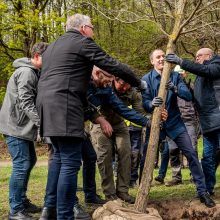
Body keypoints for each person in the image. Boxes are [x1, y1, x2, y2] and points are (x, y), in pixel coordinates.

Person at [36, 13, 146, 220]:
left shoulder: (55, 45)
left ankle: (50, 210)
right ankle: (65, 215)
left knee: (59, 158)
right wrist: (139, 82)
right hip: (65, 106)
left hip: (46, 105)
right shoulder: (81, 41)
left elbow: (64, 77)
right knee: (70, 162)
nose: (93, 31)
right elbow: (112, 64)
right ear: (84, 28)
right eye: (92, 27)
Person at [141, 49, 215, 208]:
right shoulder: (146, 79)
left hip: (175, 123)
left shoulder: (174, 76)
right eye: (158, 57)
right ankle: (142, 192)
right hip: (156, 125)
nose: (161, 59)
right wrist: (151, 104)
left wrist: (174, 87)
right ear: (152, 61)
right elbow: (144, 103)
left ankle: (202, 192)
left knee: (191, 154)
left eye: (163, 56)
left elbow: (187, 96)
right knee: (146, 156)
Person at [0, 42, 49, 220]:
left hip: (21, 127)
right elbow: (26, 102)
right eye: (46, 58)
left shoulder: (33, 71)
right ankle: (15, 209)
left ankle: (21, 200)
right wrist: (41, 124)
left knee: (29, 161)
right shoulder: (27, 72)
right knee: (21, 165)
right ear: (36, 56)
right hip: (15, 127)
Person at [88, 67, 151, 204]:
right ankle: (110, 194)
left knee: (126, 152)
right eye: (122, 84)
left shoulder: (132, 92)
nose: (125, 88)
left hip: (119, 123)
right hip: (100, 121)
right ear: (115, 79)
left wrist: (148, 121)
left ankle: (122, 191)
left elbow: (136, 112)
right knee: (105, 155)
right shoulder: (104, 83)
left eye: (128, 85)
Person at [166, 48, 220, 195]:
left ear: (209, 56)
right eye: (195, 57)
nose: (196, 59)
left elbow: (208, 71)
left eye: (199, 56)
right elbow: (195, 98)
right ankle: (208, 189)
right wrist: (176, 88)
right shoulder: (200, 77)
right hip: (207, 124)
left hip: (218, 120)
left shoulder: (216, 64)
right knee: (208, 158)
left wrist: (181, 62)